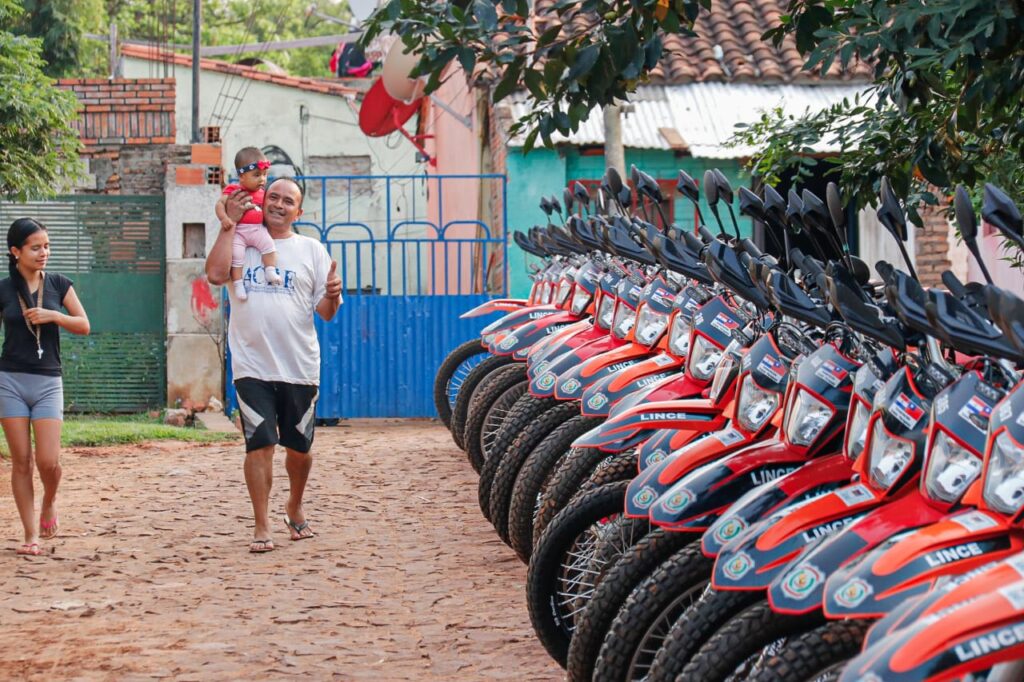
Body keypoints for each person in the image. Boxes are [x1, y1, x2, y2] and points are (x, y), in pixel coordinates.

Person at [206, 177, 342, 553]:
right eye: (274, 197)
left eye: (289, 201)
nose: (279, 205)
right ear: (263, 201)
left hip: (299, 366)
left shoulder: (311, 250)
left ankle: (294, 505)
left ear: (300, 211)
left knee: (299, 450)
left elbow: (326, 314)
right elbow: (216, 275)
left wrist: (333, 294)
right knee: (260, 443)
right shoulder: (242, 239)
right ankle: (261, 525)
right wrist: (227, 224)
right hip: (252, 366)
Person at [0, 219, 90, 556]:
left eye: (46, 246)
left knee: (48, 461)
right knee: (21, 461)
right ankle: (29, 535)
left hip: (49, 381)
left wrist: (54, 317)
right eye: (36, 247)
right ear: (16, 252)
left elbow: (84, 325)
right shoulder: (4, 290)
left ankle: (49, 501)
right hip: (9, 379)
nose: (44, 253)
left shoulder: (59, 284)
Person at [214, 147, 282, 302]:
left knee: (269, 246)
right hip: (239, 232)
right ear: (241, 176)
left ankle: (270, 270)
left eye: (264, 175)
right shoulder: (233, 190)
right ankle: (238, 284)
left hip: (258, 230)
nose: (262, 179)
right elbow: (219, 204)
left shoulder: (263, 193)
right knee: (237, 257)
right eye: (256, 175)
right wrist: (224, 218)